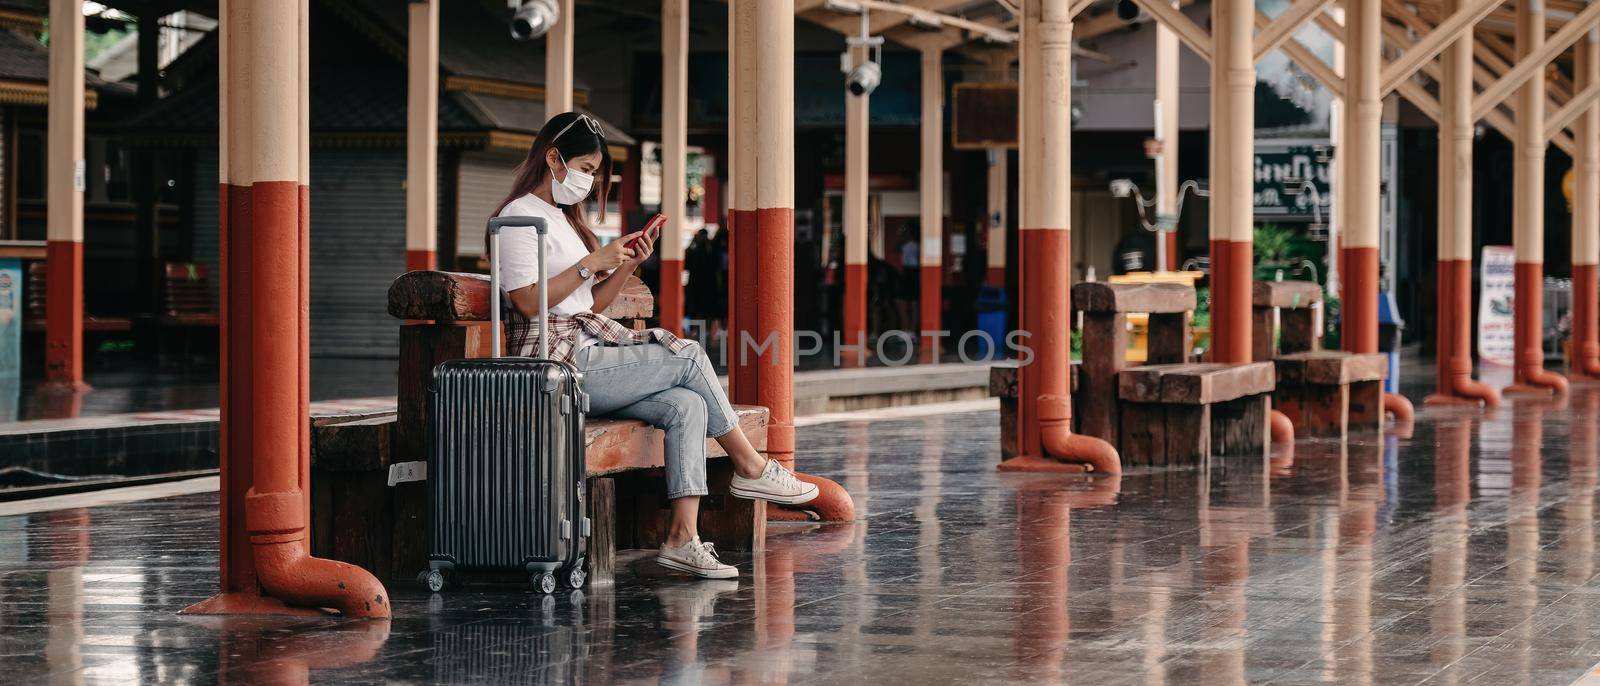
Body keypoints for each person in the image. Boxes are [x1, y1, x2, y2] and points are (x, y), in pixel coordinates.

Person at [492, 112, 818, 580]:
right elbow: (526, 302)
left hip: (587, 347)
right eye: (583, 168)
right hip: (554, 364)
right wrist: (590, 263)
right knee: (687, 354)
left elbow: (594, 305)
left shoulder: (562, 221)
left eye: (592, 172)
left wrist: (624, 265)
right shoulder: (518, 216)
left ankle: (683, 538)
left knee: (686, 404)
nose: (587, 180)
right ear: (553, 158)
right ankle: (750, 464)